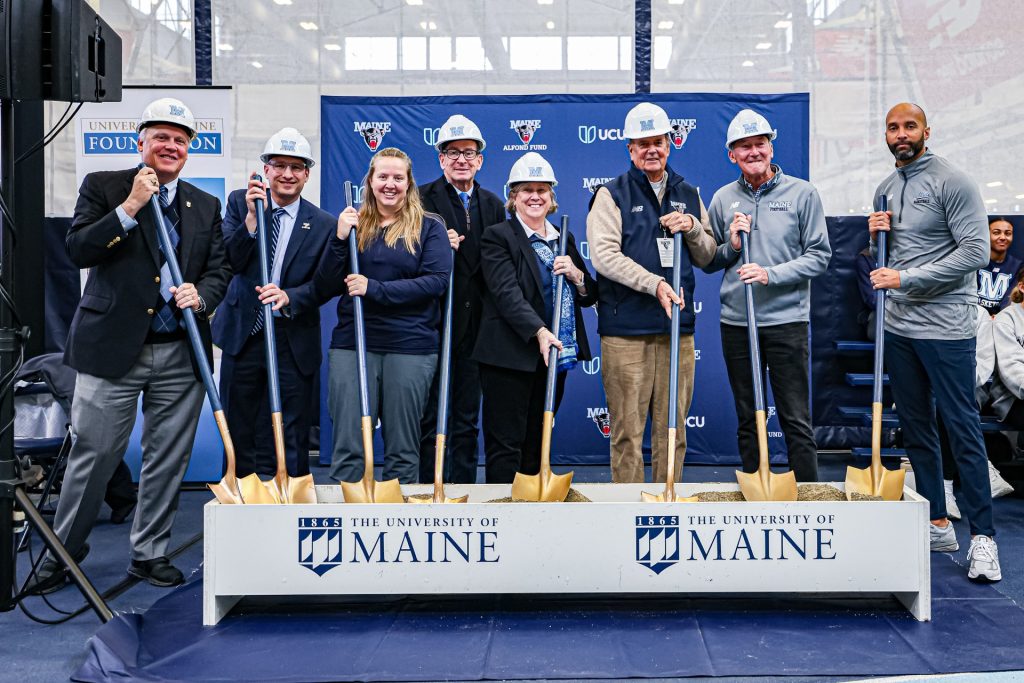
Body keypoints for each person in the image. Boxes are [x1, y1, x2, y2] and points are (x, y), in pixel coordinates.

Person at [26, 97, 230, 593]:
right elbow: (78, 250)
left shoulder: (205, 204)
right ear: (140, 142)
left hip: (180, 350)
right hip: (111, 348)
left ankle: (150, 553)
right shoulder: (105, 187)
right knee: (93, 454)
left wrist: (201, 295)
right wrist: (131, 207)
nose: (171, 146)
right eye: (161, 136)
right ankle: (62, 553)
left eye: (180, 140)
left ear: (189, 151)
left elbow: (220, 269)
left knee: (168, 456)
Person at [869, 102, 999, 582]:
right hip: (900, 327)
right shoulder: (886, 187)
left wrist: (905, 278)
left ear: (927, 130)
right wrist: (873, 239)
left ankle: (984, 539)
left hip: (947, 327)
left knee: (962, 428)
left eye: (909, 126)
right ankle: (939, 524)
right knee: (917, 430)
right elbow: (891, 258)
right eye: (893, 127)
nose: (900, 134)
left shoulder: (953, 180)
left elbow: (976, 252)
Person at [586, 102, 716, 485]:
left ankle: (667, 503)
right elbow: (605, 258)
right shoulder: (611, 195)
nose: (651, 150)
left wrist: (692, 226)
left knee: (672, 431)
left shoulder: (689, 193)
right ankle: (628, 510)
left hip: (677, 330)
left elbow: (708, 255)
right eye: (642, 144)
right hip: (625, 333)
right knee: (627, 433)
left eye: (657, 142)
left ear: (670, 143)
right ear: (630, 149)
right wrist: (655, 283)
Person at [703, 109, 832, 482]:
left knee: (794, 416)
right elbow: (712, 261)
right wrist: (731, 244)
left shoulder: (803, 193)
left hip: (786, 321)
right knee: (748, 414)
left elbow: (820, 256)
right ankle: (754, 488)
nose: (753, 152)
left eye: (759, 144)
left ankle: (807, 495)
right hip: (738, 323)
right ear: (732, 155)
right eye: (744, 147)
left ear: (771, 148)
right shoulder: (723, 198)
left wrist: (769, 275)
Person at [316, 147, 451, 485]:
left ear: (409, 184)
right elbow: (326, 284)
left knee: (403, 448)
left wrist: (374, 288)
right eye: (383, 177)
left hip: (411, 346)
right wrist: (338, 239)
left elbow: (436, 281)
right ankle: (348, 522)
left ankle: (397, 525)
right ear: (370, 181)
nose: (390, 184)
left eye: (397, 177)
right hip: (354, 344)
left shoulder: (430, 227)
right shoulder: (352, 223)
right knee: (349, 444)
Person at [212, 128, 334, 480]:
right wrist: (252, 219)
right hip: (244, 335)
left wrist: (290, 297)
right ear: (265, 169)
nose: (287, 174)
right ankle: (240, 501)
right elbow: (227, 261)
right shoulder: (239, 203)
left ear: (307, 174)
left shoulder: (322, 223)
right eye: (279, 165)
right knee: (238, 426)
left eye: (296, 167)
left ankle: (288, 507)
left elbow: (324, 285)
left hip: (291, 337)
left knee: (290, 431)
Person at [473, 153, 597, 483]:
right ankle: (501, 511)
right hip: (509, 357)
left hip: (554, 356)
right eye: (526, 189)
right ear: (513, 197)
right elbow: (506, 294)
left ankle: (529, 512)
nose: (535, 196)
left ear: (551, 197)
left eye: (542, 190)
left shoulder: (563, 238)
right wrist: (539, 331)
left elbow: (590, 295)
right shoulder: (498, 236)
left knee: (537, 440)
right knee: (506, 443)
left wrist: (577, 275)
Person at [417, 115, 506, 485]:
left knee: (466, 417)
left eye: (469, 153)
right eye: (452, 152)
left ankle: (463, 490)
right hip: (433, 323)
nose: (461, 160)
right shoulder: (420, 199)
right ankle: (426, 489)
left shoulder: (493, 203)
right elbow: (405, 255)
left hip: (478, 328)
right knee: (429, 416)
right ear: (441, 159)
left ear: (480, 160)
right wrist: (437, 247)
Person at [940, 304, 1014, 521]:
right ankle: (983, 467)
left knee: (952, 404)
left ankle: (945, 487)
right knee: (943, 403)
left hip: (969, 389)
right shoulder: (923, 311)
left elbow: (982, 365)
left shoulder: (978, 314)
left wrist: (955, 385)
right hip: (929, 390)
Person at [977, 217, 1020, 316]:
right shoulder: (975, 261)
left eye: (1008, 233)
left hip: (1003, 320)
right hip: (976, 318)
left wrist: (1000, 317)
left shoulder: (1018, 266)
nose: (1003, 237)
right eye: (996, 233)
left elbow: (1011, 299)